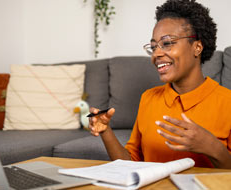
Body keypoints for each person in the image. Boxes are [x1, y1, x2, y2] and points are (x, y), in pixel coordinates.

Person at [88, 0, 231, 169]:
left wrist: (211, 146)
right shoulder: (149, 98)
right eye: (154, 47)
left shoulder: (226, 102)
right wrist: (105, 131)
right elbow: (130, 164)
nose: (156, 54)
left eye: (167, 43)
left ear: (197, 47)